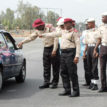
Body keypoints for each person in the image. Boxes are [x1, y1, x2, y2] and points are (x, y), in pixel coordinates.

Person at [40, 18, 80, 97]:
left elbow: (78, 45)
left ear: (70, 24)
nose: (64, 25)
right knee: (63, 72)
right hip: (63, 53)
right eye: (64, 23)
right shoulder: (62, 32)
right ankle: (67, 89)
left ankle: (76, 91)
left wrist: (77, 56)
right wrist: (43, 35)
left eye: (66, 23)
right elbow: (53, 34)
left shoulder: (74, 32)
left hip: (71, 52)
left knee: (72, 73)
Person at [18, 19, 60, 89]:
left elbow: (56, 38)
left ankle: (55, 82)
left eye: (37, 27)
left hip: (53, 47)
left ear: (41, 25)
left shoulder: (50, 28)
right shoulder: (38, 30)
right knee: (46, 66)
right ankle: (46, 82)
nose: (36, 28)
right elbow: (31, 37)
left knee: (55, 66)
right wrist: (22, 42)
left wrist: (54, 50)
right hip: (46, 48)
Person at [83, 18, 99, 90]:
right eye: (87, 23)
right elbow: (86, 43)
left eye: (89, 23)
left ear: (93, 23)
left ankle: (95, 84)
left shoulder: (97, 31)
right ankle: (92, 83)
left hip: (94, 48)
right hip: (89, 48)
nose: (88, 25)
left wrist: (95, 49)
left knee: (94, 67)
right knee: (89, 67)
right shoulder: (87, 32)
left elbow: (99, 40)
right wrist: (84, 52)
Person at [93, 12, 107, 92]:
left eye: (103, 17)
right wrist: (95, 48)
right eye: (102, 17)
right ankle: (103, 86)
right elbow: (99, 39)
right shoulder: (101, 27)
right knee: (102, 68)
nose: (102, 19)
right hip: (103, 47)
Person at [80, 20, 91, 86]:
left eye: (88, 24)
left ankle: (92, 82)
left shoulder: (93, 32)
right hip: (83, 52)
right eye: (86, 24)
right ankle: (87, 82)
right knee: (86, 67)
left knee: (90, 67)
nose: (87, 26)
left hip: (89, 50)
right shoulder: (84, 32)